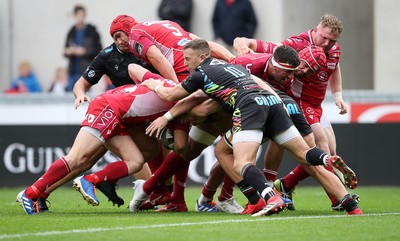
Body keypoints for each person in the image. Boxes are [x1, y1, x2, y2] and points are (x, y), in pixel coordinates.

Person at [139, 39, 359, 216]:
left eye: (187, 59)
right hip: (276, 103)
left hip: (251, 106)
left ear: (202, 57)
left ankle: (267, 197)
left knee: (240, 159)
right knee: (306, 154)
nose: (185, 63)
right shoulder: (236, 65)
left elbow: (185, 100)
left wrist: (155, 87)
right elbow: (251, 66)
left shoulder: (201, 74)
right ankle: (343, 191)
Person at [197, 46, 361, 215]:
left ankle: (259, 198)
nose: (292, 77)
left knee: (228, 154)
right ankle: (349, 203)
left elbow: (201, 104)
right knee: (309, 159)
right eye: (289, 73)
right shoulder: (247, 62)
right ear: (275, 66)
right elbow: (240, 41)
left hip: (259, 109)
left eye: (294, 72)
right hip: (286, 106)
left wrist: (171, 116)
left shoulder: (215, 74)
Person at [16, 15, 155, 213]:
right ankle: (32, 193)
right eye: (115, 37)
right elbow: (81, 84)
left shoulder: (146, 49)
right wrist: (80, 95)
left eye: (122, 35)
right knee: (79, 160)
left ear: (133, 31)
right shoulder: (107, 55)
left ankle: (45, 192)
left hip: (131, 114)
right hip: (113, 111)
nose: (120, 41)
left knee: (141, 154)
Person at [17, 65, 191, 215]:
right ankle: (31, 193)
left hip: (121, 117)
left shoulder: (169, 84)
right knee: (77, 158)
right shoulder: (180, 104)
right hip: (107, 107)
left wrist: (153, 85)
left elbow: (134, 69)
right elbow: (181, 146)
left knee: (138, 160)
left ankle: (94, 180)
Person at [233, 13, 358, 210]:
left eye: (331, 40)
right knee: (321, 149)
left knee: (330, 151)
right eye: (323, 37)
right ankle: (338, 199)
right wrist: (243, 54)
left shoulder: (333, 49)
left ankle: (285, 185)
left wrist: (338, 95)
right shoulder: (294, 45)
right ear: (315, 30)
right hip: (297, 101)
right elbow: (245, 42)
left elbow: (334, 67)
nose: (326, 43)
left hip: (316, 104)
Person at [64, 5, 102, 91]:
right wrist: (70, 51)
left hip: (86, 70)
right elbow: (65, 50)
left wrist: (85, 51)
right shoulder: (71, 32)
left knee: (85, 94)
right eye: (78, 15)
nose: (80, 18)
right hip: (73, 71)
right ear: (74, 16)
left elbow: (99, 50)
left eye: (82, 15)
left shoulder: (92, 31)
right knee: (71, 94)